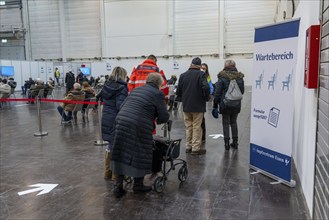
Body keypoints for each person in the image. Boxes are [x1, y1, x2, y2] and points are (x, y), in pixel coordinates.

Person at [111, 72, 169, 198]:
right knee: (140, 153)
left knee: (120, 152)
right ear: (159, 84)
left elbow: (122, 106)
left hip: (120, 121)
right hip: (138, 125)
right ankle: (138, 185)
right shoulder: (157, 93)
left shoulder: (137, 90)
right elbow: (163, 117)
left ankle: (117, 185)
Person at [96, 67, 128, 180]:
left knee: (110, 145)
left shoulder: (106, 85)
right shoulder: (122, 88)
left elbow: (97, 97)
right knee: (118, 147)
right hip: (116, 120)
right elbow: (120, 106)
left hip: (106, 118)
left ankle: (107, 172)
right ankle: (116, 174)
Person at [176, 57, 210, 155]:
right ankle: (195, 148)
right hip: (198, 106)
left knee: (188, 126)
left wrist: (183, 98)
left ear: (191, 64)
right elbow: (206, 87)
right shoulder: (202, 74)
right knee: (196, 126)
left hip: (186, 105)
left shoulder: (183, 75)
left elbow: (178, 90)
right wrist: (206, 98)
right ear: (199, 66)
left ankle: (188, 146)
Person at [213, 60, 245, 150]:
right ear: (235, 65)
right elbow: (242, 91)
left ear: (225, 66)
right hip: (236, 103)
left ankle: (226, 143)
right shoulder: (239, 77)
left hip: (225, 104)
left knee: (226, 123)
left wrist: (215, 104)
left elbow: (217, 93)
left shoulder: (222, 77)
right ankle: (235, 143)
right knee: (234, 122)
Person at [200, 63, 214, 143]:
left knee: (202, 119)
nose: (203, 69)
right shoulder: (198, 75)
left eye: (204, 68)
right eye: (202, 68)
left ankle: (203, 137)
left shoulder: (207, 76)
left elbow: (211, 87)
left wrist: (208, 94)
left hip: (203, 99)